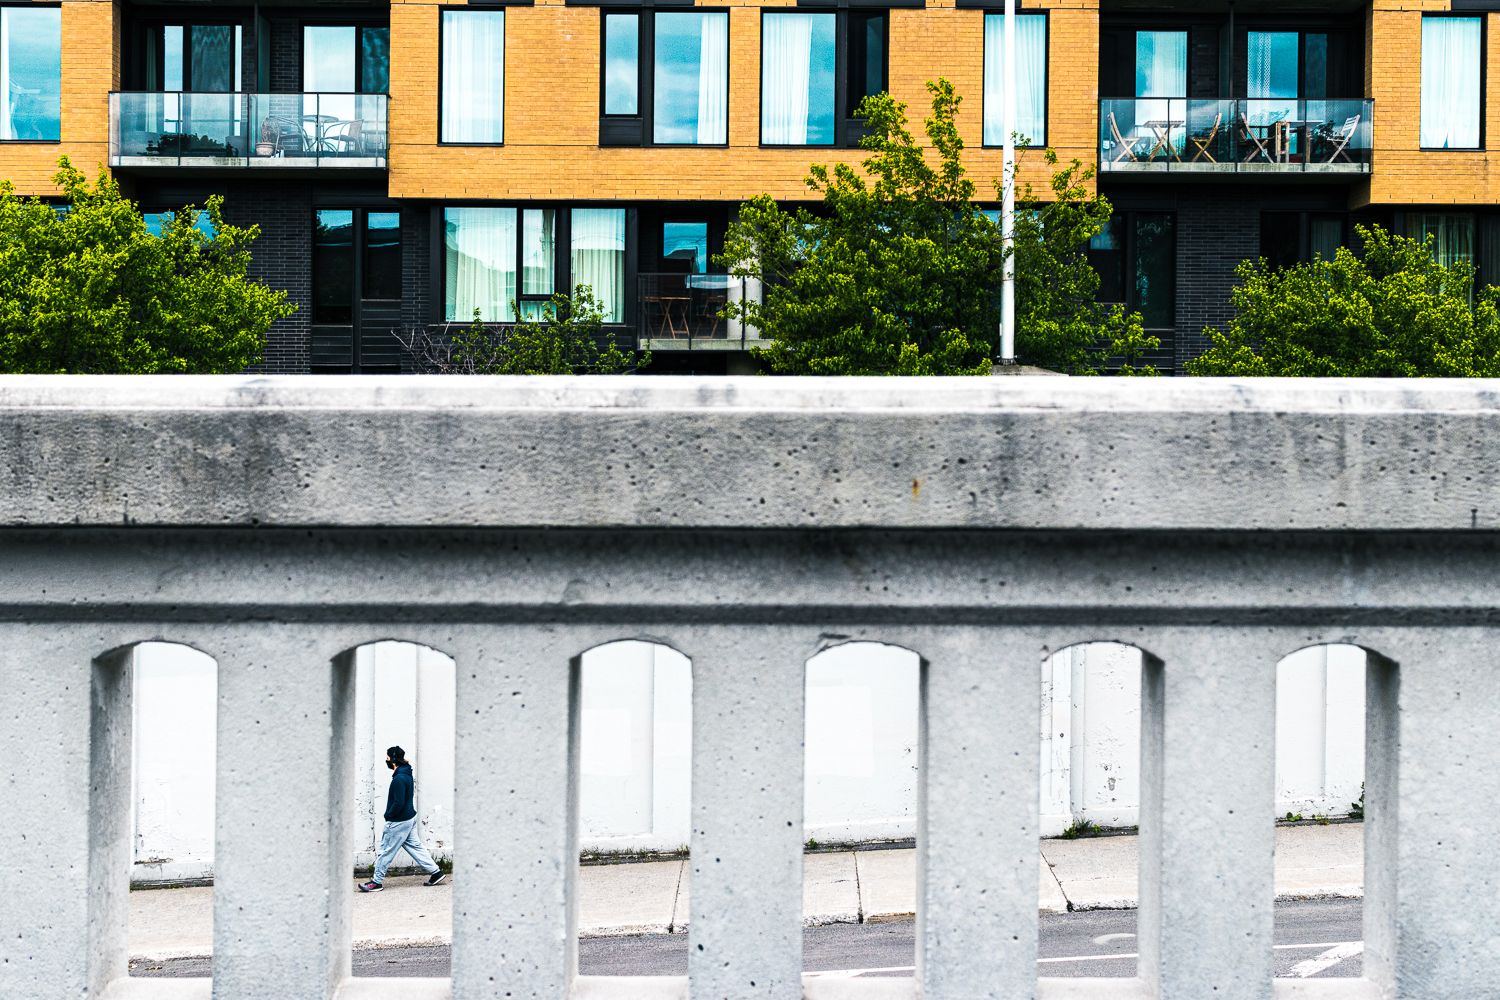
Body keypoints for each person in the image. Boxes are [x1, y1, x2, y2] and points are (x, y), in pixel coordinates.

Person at [358, 746, 447, 892]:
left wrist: (389, 815)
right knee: (416, 847)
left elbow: (398, 802)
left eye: (387, 757)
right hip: (409, 818)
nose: (385, 760)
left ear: (392, 759)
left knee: (386, 851)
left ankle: (376, 882)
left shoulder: (399, 779)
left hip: (398, 821)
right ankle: (436, 872)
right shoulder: (406, 773)